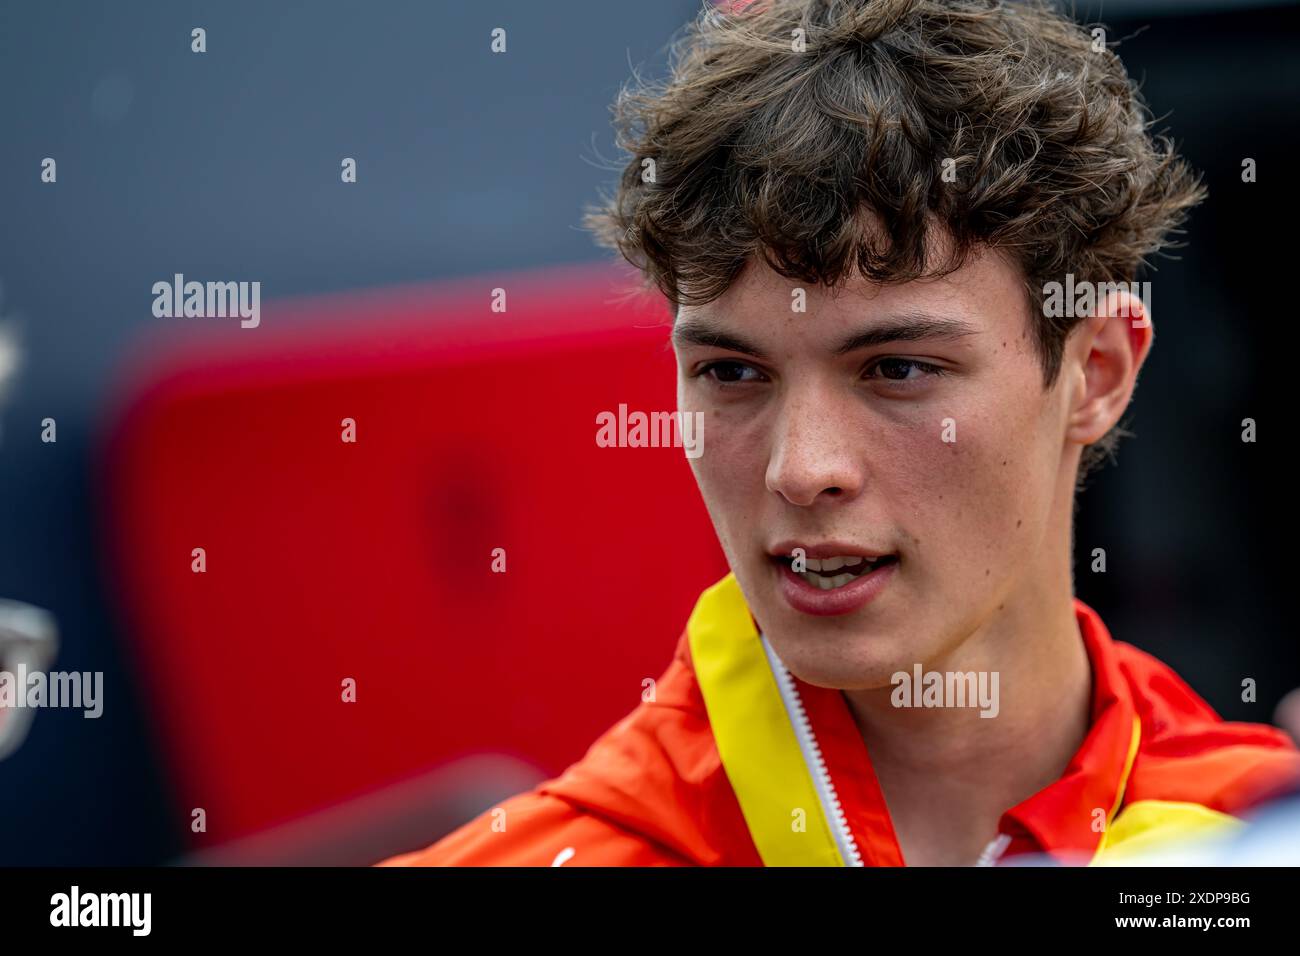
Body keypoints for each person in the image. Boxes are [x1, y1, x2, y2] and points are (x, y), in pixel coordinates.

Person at [379, 0, 1300, 866]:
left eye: (898, 368)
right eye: (732, 373)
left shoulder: (1247, 832)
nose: (801, 469)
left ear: (1096, 373)